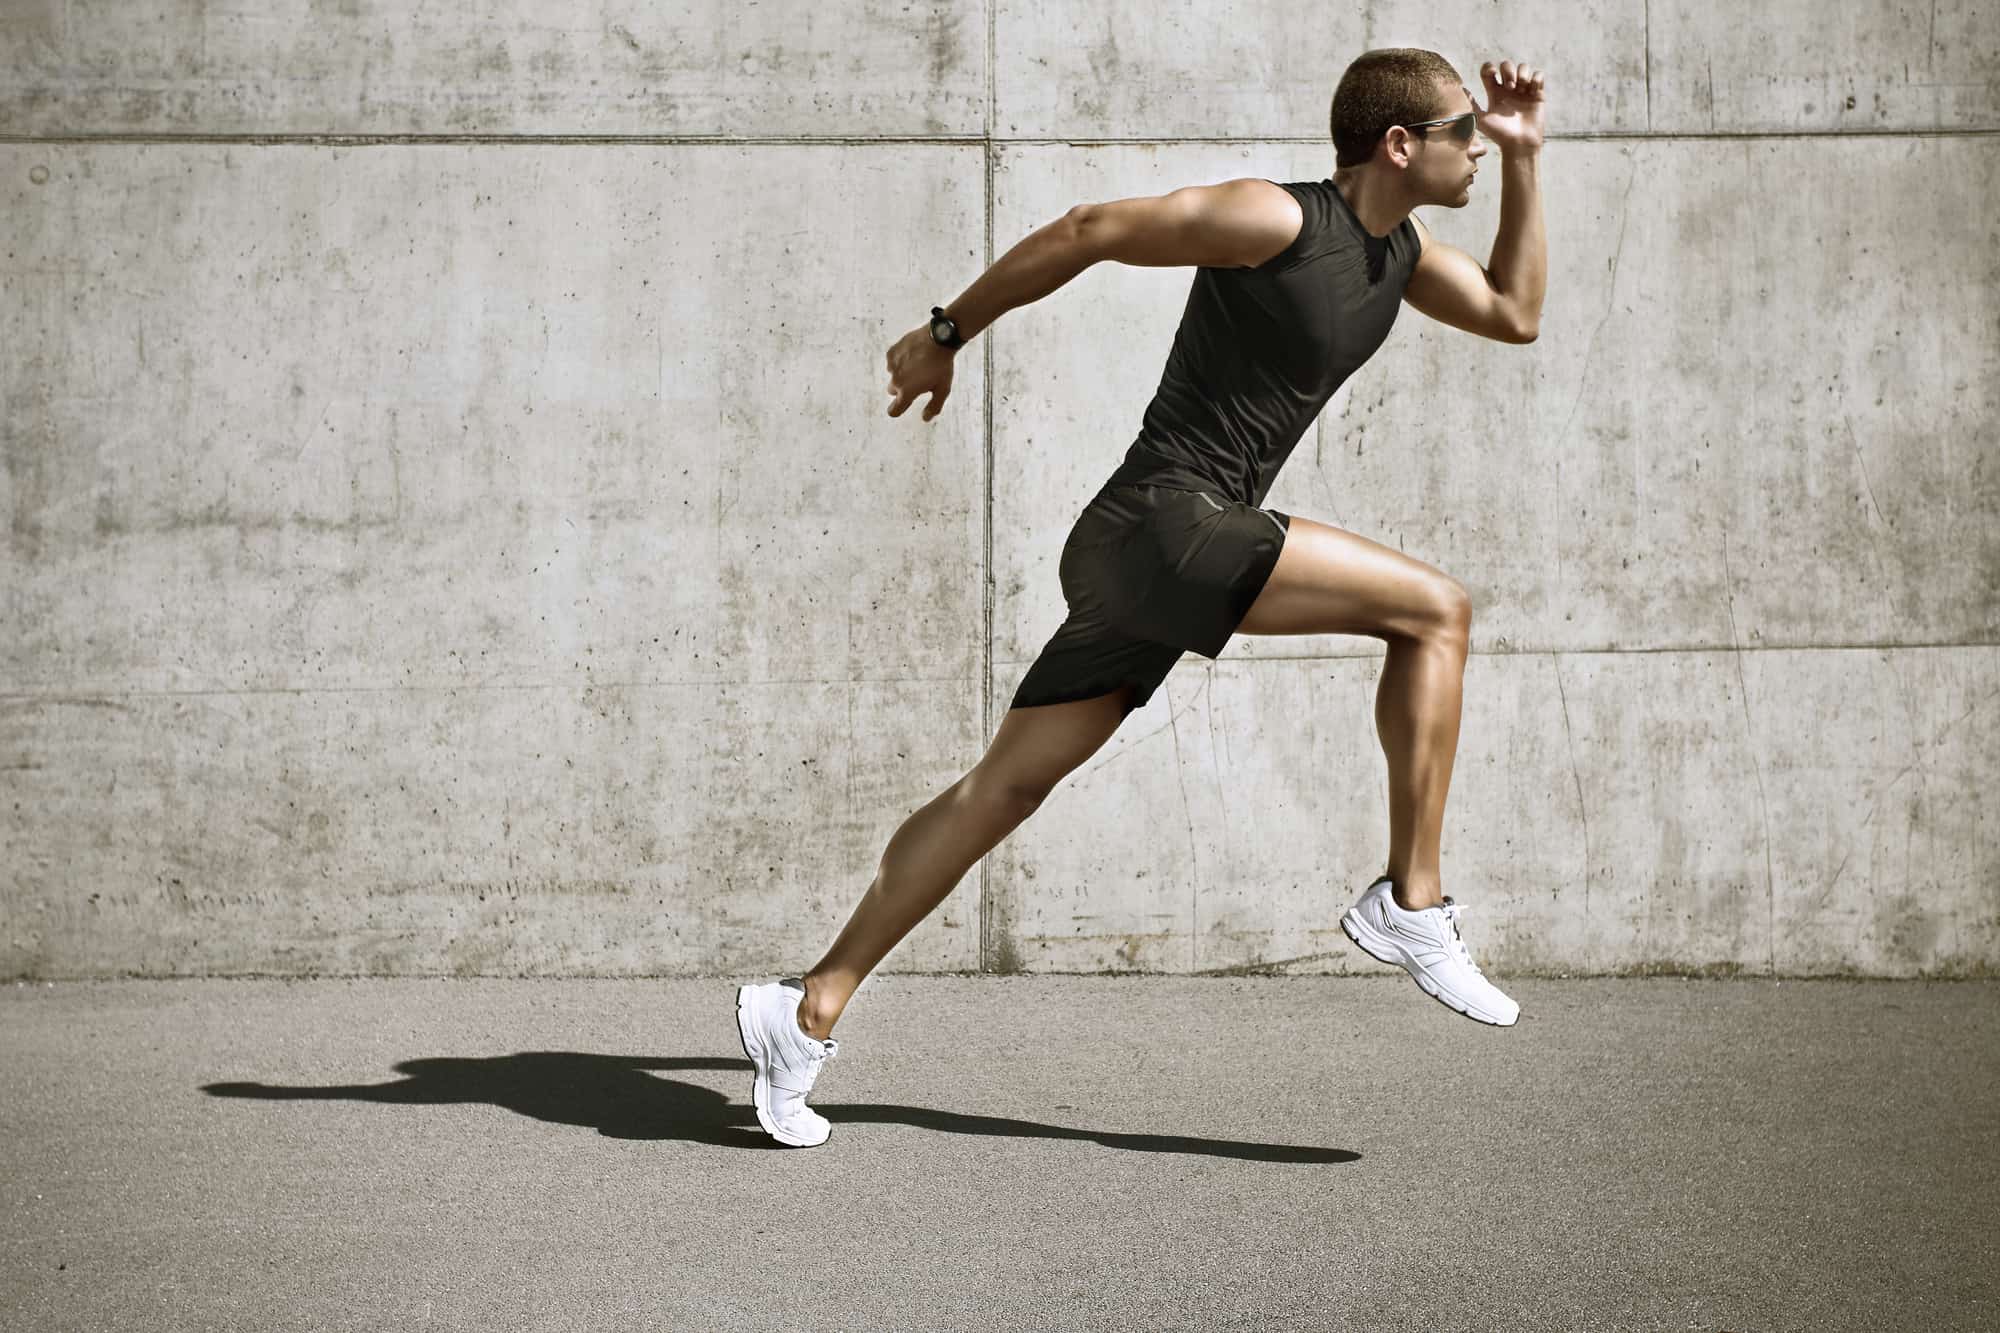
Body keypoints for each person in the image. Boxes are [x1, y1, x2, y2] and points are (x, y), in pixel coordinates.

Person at [737, 49, 1549, 1146]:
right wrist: (942, 336)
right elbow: (1090, 229)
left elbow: (1512, 311)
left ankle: (805, 1011)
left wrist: (1527, 159)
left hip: (1146, 553)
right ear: (1399, 144)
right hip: (1167, 521)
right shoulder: (1274, 219)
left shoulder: (1398, 259)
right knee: (1434, 610)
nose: (1478, 151)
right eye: (1467, 133)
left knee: (1000, 791)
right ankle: (1409, 903)